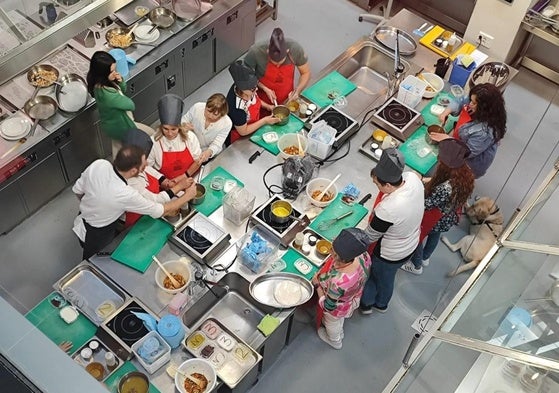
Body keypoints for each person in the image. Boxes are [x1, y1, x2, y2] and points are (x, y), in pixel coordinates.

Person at [72, 145, 196, 260]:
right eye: (143, 165)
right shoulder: (125, 193)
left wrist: (94, 205)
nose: (147, 164)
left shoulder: (100, 164)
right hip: (98, 234)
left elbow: (78, 191)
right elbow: (161, 210)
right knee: (95, 263)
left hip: (82, 217)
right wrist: (187, 196)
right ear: (132, 171)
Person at [359, 148, 424, 314]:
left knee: (379, 277)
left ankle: (374, 305)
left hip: (391, 253)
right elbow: (418, 176)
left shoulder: (390, 209)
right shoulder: (411, 179)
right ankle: (378, 302)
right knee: (387, 276)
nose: (376, 187)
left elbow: (370, 236)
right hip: (412, 242)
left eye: (377, 184)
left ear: (387, 184)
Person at [401, 139, 475, 275]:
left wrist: (413, 188)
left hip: (435, 218)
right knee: (435, 235)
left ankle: (416, 265)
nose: (438, 159)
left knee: (416, 236)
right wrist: (424, 180)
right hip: (448, 216)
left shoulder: (445, 188)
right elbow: (440, 180)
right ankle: (425, 257)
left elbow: (426, 205)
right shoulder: (465, 173)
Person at [430, 83, 507, 178]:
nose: (470, 104)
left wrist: (447, 139)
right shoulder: (478, 101)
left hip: (469, 165)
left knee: (453, 180)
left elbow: (466, 152)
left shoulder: (485, 133)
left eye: (474, 103)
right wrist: (446, 112)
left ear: (485, 108)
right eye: (471, 100)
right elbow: (461, 100)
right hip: (461, 142)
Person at [86, 51, 154, 157]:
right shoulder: (107, 95)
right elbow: (130, 105)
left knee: (117, 147)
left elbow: (122, 89)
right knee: (151, 135)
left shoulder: (99, 84)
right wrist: (121, 97)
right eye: (112, 71)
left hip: (112, 125)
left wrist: (120, 81)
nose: (115, 72)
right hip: (121, 126)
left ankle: (117, 169)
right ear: (103, 74)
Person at [312, 228, 372, 349]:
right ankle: (339, 331)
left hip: (338, 307)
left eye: (332, 250)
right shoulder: (363, 255)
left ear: (339, 257)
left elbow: (328, 306)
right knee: (339, 320)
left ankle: (335, 340)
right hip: (353, 296)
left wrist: (317, 284)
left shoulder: (339, 283)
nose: (330, 251)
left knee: (332, 322)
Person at [123, 128, 195, 227]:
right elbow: (154, 200)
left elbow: (148, 169)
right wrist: (181, 189)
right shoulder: (131, 182)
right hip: (138, 221)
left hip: (152, 214)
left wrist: (164, 181)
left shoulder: (133, 166)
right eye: (144, 160)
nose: (147, 162)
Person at [244, 27, 311, 107]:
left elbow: (305, 73)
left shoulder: (295, 49)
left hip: (287, 99)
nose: (277, 66)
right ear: (268, 52)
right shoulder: (255, 52)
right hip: (260, 99)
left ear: (287, 51)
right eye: (274, 63)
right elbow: (245, 77)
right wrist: (264, 88)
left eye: (280, 63)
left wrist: (297, 90)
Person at [148, 94, 202, 183]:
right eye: (165, 129)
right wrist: (163, 181)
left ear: (179, 127)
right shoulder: (153, 142)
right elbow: (147, 167)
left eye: (173, 129)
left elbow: (198, 160)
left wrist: (184, 177)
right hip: (166, 184)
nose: (169, 133)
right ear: (161, 126)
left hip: (190, 178)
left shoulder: (190, 137)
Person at [225, 60, 280, 145]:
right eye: (253, 89)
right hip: (240, 139)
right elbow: (243, 131)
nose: (256, 89)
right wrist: (265, 121)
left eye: (255, 86)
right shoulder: (237, 108)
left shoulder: (247, 89)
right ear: (243, 89)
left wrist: (268, 106)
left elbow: (255, 100)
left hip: (253, 127)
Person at [181, 93, 232, 163]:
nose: (210, 116)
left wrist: (208, 152)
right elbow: (183, 120)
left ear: (222, 114)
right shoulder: (197, 107)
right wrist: (183, 125)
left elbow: (217, 144)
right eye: (208, 111)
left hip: (206, 152)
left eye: (215, 114)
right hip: (190, 146)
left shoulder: (226, 123)